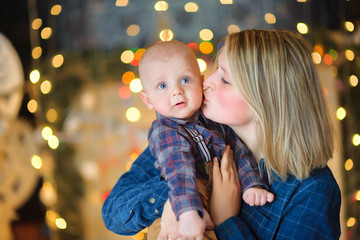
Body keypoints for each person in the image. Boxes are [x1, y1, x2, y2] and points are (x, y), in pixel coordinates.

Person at [102, 29, 341, 239]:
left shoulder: (311, 190)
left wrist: (225, 220)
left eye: (225, 79)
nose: (205, 82)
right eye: (216, 70)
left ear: (266, 100)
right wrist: (177, 197)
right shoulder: (187, 134)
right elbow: (113, 213)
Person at [136, 40, 273, 239]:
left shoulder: (213, 119)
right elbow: (178, 170)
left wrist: (252, 184)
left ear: (200, 81)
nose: (176, 91)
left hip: (219, 190)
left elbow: (236, 152)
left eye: (185, 79)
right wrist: (188, 213)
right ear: (148, 100)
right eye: (162, 85)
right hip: (188, 197)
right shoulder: (164, 131)